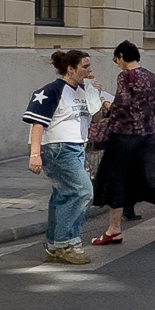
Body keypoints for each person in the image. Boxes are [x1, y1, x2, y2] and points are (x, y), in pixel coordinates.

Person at [22, 49, 108, 264]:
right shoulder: (52, 90)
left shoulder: (83, 90)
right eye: (85, 67)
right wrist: (35, 154)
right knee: (83, 191)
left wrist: (96, 97)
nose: (90, 70)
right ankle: (66, 243)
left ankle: (55, 245)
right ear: (70, 69)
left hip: (77, 147)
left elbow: (96, 118)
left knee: (63, 195)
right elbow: (37, 123)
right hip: (57, 148)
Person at [89, 41, 155, 245]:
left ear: (122, 56)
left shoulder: (126, 76)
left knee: (116, 179)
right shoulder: (149, 75)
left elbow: (121, 106)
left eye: (116, 60)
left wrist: (104, 102)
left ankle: (114, 230)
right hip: (148, 134)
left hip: (125, 136)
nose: (117, 64)